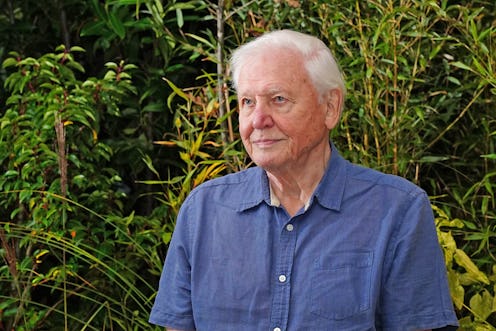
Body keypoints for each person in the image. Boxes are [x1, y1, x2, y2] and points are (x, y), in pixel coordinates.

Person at [149, 29, 459, 331]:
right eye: (247, 102)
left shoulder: (397, 210)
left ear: (330, 107)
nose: (258, 120)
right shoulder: (203, 211)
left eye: (279, 98)